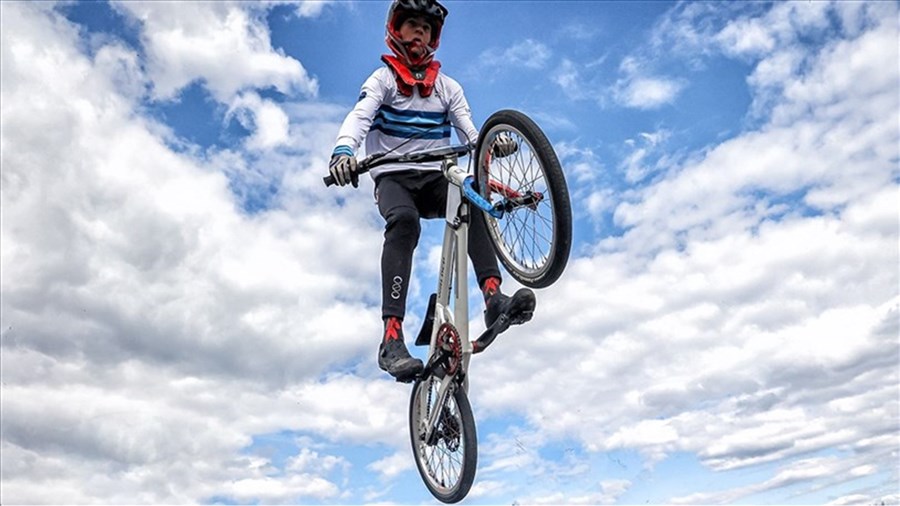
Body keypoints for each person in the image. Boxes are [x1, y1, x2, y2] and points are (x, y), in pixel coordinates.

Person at [329, 0, 535, 380]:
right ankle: (391, 338)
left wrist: (489, 144)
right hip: (394, 179)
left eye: (426, 27)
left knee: (472, 196)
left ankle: (493, 298)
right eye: (411, 24)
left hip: (436, 176)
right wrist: (344, 152)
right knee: (404, 222)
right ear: (396, 31)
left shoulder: (447, 87)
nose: (419, 32)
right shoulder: (382, 81)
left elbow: (469, 133)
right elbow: (358, 118)